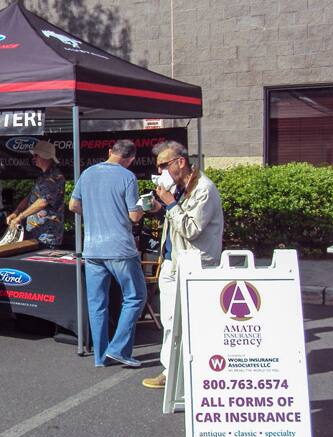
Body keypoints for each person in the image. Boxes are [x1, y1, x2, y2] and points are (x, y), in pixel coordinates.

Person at [142, 141, 224, 389]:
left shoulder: (203, 189)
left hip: (195, 263)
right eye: (158, 167)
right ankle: (171, 370)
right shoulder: (178, 188)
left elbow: (191, 229)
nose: (161, 171)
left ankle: (197, 370)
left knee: (192, 321)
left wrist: (169, 203)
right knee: (170, 321)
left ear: (181, 161)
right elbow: (176, 220)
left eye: (164, 165)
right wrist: (159, 206)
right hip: (173, 261)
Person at [69, 140, 146, 368]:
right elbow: (134, 216)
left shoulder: (88, 173)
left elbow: (73, 205)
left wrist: (93, 213)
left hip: (92, 248)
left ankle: (100, 357)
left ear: (110, 152)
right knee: (135, 296)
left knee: (97, 303)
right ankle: (119, 349)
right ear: (131, 159)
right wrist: (145, 207)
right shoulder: (127, 177)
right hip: (120, 248)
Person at [6, 140, 65, 248]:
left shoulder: (55, 176)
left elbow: (43, 201)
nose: (34, 158)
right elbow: (31, 196)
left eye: (36, 155)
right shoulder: (42, 176)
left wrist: (20, 217)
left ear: (45, 156)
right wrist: (16, 211)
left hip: (47, 235)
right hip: (34, 233)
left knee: (43, 263)